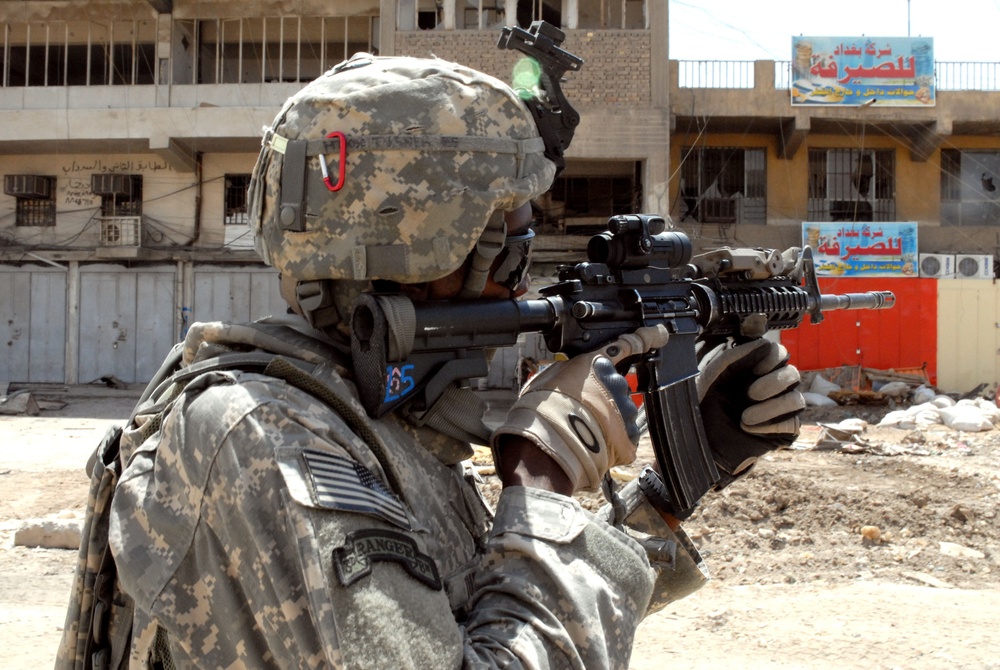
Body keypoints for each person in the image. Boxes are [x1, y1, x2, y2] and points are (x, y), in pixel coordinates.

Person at [74, 54, 803, 669]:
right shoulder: (262, 441)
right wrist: (540, 485)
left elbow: (497, 621)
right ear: (423, 246)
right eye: (508, 247)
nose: (522, 279)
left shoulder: (372, 427)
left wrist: (673, 488)